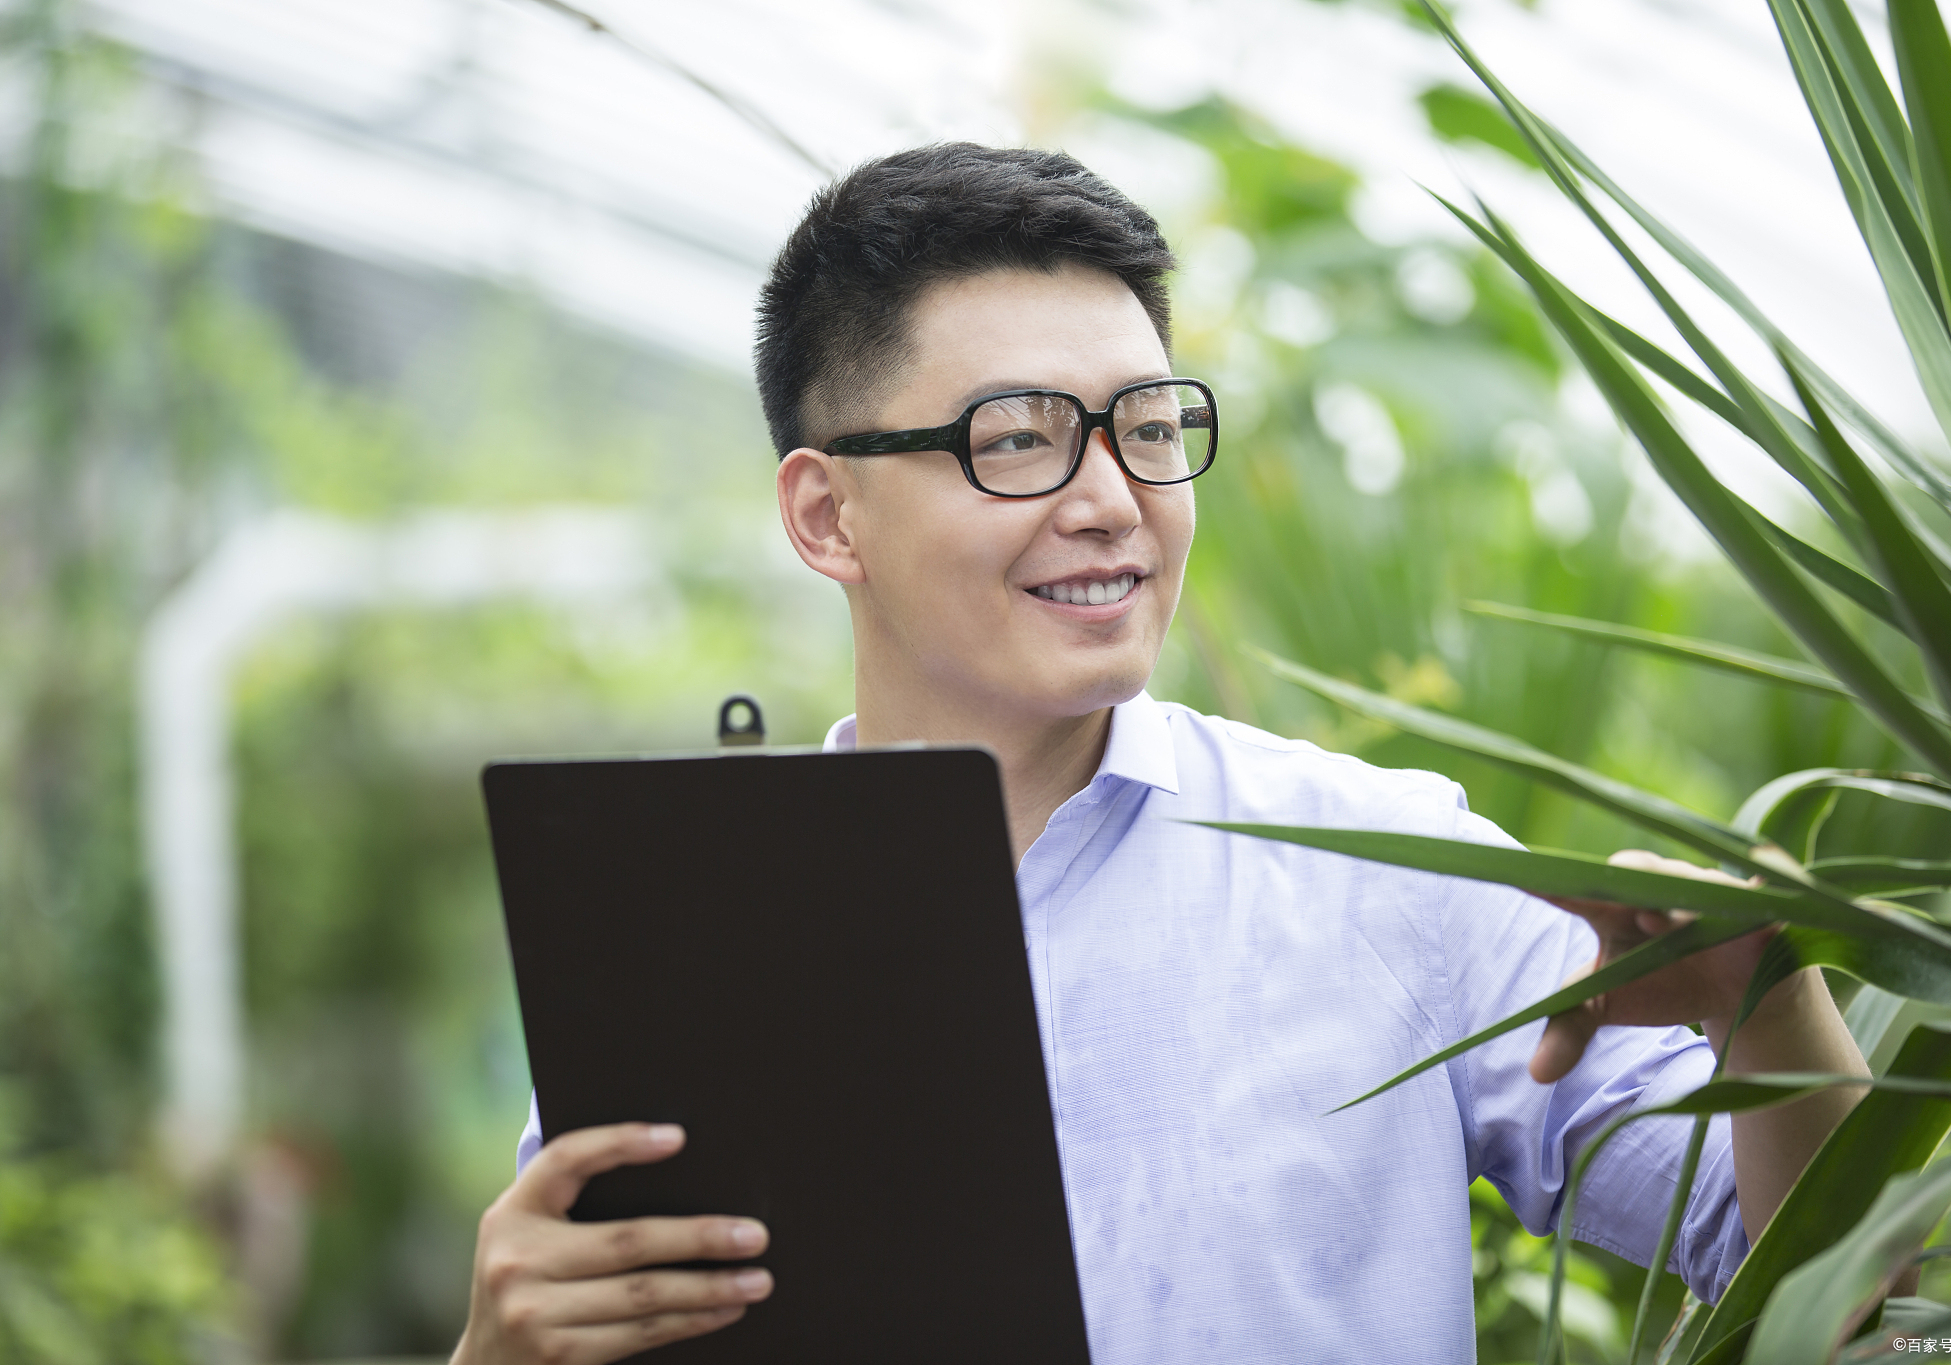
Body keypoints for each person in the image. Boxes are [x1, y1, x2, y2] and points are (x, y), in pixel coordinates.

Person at [449, 144, 1867, 1365]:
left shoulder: (1384, 864)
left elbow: (1845, 1296)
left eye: (1145, 427)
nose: (1113, 501)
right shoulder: (694, 939)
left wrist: (1773, 1009)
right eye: (1017, 439)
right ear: (827, 517)